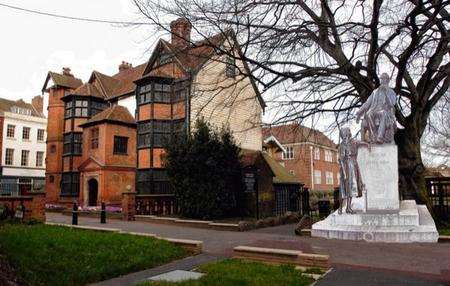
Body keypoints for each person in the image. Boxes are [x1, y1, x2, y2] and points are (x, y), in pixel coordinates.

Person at [356, 73, 397, 144]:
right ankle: (374, 135)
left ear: (388, 80)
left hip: (385, 111)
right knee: (368, 114)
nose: (383, 80)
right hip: (374, 110)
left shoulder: (391, 92)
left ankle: (380, 137)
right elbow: (367, 103)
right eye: (382, 79)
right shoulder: (375, 92)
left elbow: (391, 104)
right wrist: (360, 112)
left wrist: (386, 94)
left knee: (383, 113)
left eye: (385, 79)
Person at [338, 126, 370, 214]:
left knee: (351, 188)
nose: (345, 135)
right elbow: (340, 159)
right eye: (343, 134)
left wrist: (367, 145)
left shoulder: (353, 141)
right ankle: (340, 208)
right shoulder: (342, 145)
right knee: (343, 189)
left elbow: (361, 143)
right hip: (346, 167)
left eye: (346, 133)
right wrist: (344, 173)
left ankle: (348, 207)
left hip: (353, 166)